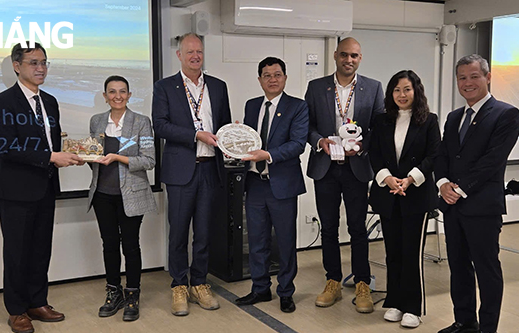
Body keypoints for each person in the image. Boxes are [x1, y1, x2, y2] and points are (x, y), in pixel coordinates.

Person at [0, 42, 83, 333]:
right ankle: (16, 310)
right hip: (15, 190)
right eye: (33, 62)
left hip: (45, 187)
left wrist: (72, 154)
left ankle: (37, 302)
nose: (40, 68)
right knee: (17, 252)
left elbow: (51, 143)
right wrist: (52, 157)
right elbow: (7, 148)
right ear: (17, 66)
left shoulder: (51, 102)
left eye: (44, 62)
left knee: (41, 249)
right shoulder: (3, 102)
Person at [434, 54, 519, 333]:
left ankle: (487, 329)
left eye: (473, 76)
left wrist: (461, 189)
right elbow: (443, 155)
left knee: (486, 267)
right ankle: (465, 320)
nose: (467, 83)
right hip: (452, 205)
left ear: (487, 77)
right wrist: (442, 183)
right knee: (458, 265)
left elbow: (492, 161)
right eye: (462, 78)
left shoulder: (506, 114)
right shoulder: (454, 116)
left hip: (482, 206)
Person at [152, 33, 231, 316]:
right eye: (190, 52)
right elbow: (160, 126)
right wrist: (195, 134)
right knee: (179, 232)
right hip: (181, 170)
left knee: (205, 231)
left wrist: (232, 138)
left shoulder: (218, 87)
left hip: (211, 168)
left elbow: (223, 127)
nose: (195, 56)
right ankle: (178, 285)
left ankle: (199, 282)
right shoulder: (165, 87)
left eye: (199, 51)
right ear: (179, 55)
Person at [305, 37, 384, 313]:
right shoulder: (316, 87)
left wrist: (362, 146)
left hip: (356, 168)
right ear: (336, 56)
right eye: (344, 55)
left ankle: (362, 282)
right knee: (328, 228)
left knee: (357, 228)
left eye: (354, 56)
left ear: (360, 58)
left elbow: (378, 127)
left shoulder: (373, 88)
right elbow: (307, 125)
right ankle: (333, 281)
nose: (348, 60)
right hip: (325, 166)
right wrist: (320, 142)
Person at [234, 57, 309, 313]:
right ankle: (260, 288)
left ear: (285, 78)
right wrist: (234, 140)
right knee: (257, 240)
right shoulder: (252, 105)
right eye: (267, 75)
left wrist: (267, 155)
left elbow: (298, 144)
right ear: (259, 80)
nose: (273, 79)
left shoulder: (297, 107)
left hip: (282, 184)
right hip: (254, 183)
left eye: (277, 74)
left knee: (285, 241)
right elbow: (247, 141)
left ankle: (286, 292)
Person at [368, 70, 441, 328]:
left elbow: (434, 156)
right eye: (397, 90)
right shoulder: (381, 120)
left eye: (407, 89)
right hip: (388, 193)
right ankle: (395, 302)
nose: (402, 95)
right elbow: (374, 154)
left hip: (415, 195)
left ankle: (414, 307)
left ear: (416, 91)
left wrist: (410, 179)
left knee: (411, 253)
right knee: (392, 253)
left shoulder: (429, 121)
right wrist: (387, 178)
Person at [88, 75, 156, 322]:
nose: (117, 96)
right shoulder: (96, 121)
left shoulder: (141, 122)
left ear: (129, 95)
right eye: (112, 92)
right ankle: (113, 292)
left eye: (122, 91)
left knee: (130, 245)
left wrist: (118, 158)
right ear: (105, 96)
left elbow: (149, 160)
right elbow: (92, 156)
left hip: (131, 195)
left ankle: (132, 295)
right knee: (108, 245)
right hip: (102, 195)